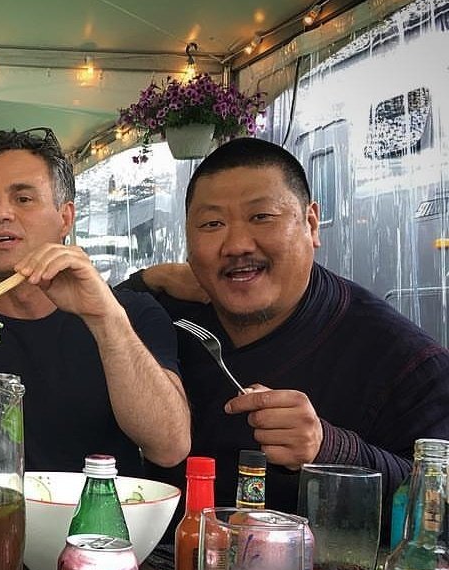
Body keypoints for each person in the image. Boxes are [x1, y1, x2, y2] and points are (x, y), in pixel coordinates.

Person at [121, 137, 449, 520]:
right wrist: (145, 280)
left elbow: (437, 508)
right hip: (157, 554)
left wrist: (331, 449)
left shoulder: (404, 359)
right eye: (212, 224)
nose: (237, 245)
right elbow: (91, 323)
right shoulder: (165, 317)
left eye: (262, 217)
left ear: (311, 223)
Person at [0, 128, 190, 475]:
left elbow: (170, 447)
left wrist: (105, 319)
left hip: (95, 511)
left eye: (23, 199)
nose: (0, 214)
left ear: (65, 217)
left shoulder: (131, 314)